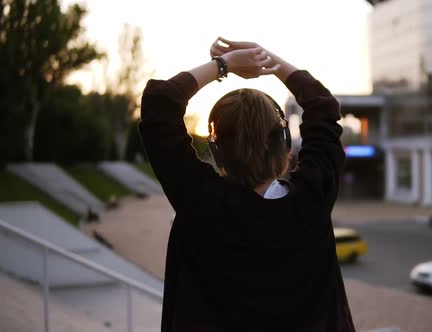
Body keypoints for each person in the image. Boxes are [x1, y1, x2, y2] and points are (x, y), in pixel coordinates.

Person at [139, 37, 355, 332]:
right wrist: (267, 60)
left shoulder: (199, 201)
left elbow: (160, 104)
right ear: (285, 146)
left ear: (217, 153)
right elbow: (323, 106)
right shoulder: (314, 197)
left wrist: (223, 66)